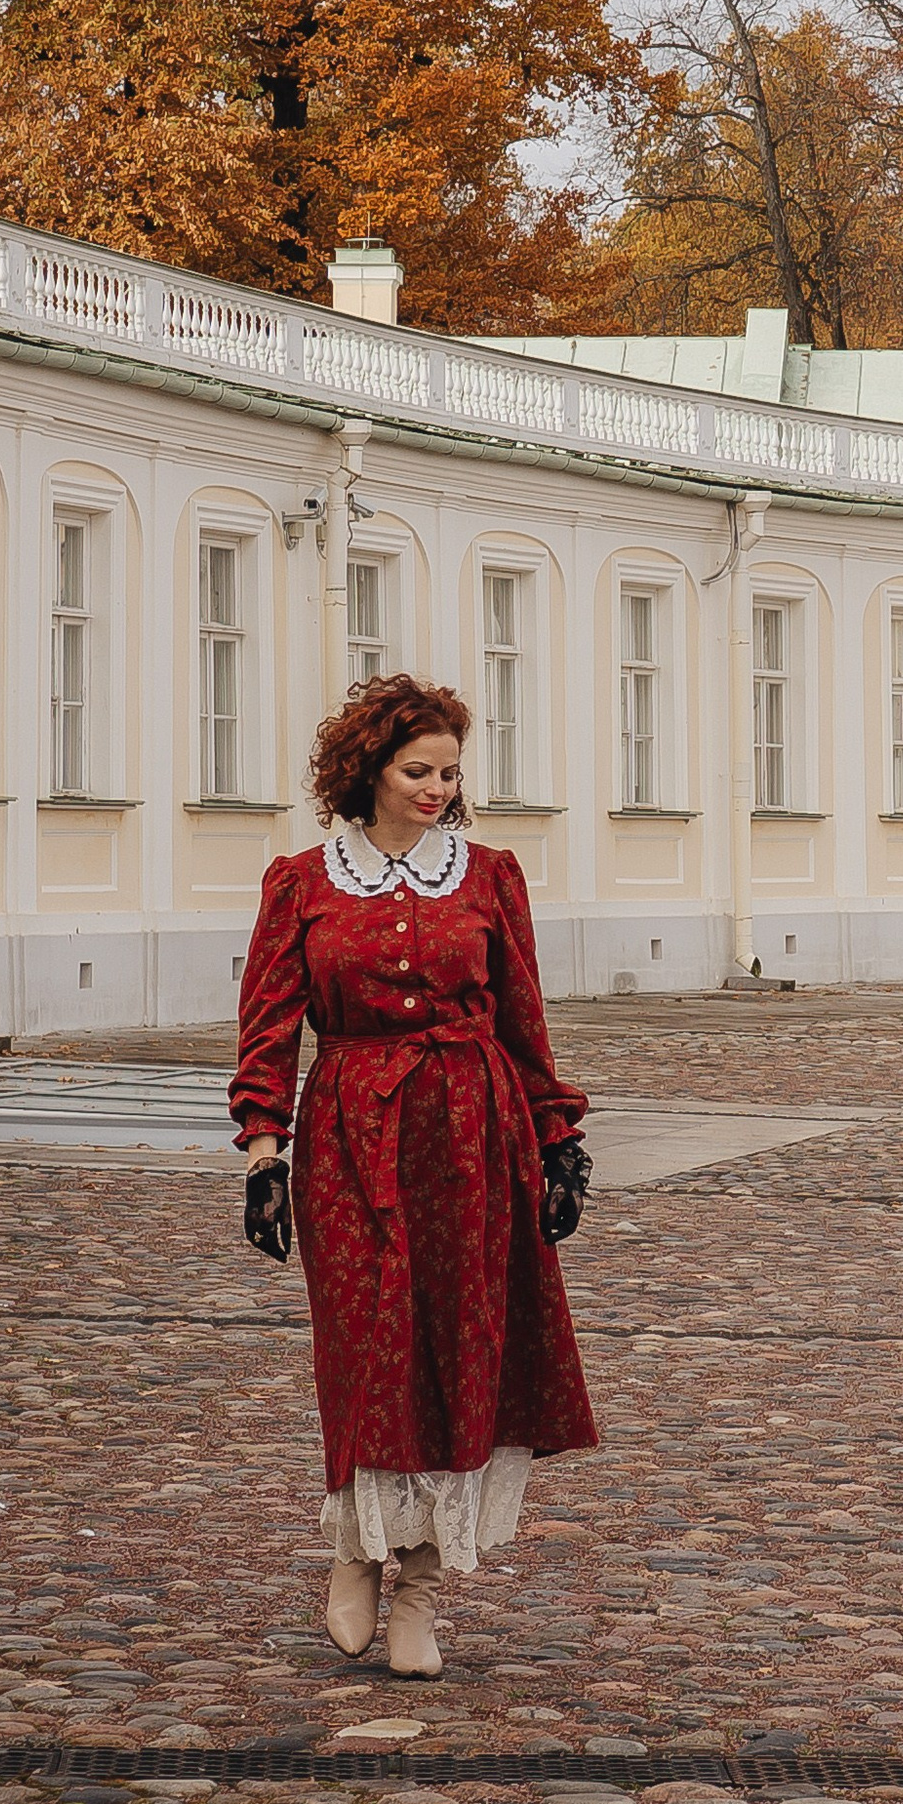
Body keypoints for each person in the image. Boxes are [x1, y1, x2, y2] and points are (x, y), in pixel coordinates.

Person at [229, 671, 598, 1677]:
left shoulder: (488, 878)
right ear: (369, 772)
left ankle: (424, 1590)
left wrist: (558, 1141)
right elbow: (267, 1028)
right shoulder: (302, 882)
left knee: (458, 1355)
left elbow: (524, 1019)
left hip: (472, 1136)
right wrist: (265, 1153)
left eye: (449, 771)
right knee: (364, 1349)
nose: (438, 787)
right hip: (348, 1132)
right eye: (417, 769)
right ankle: (357, 1550)